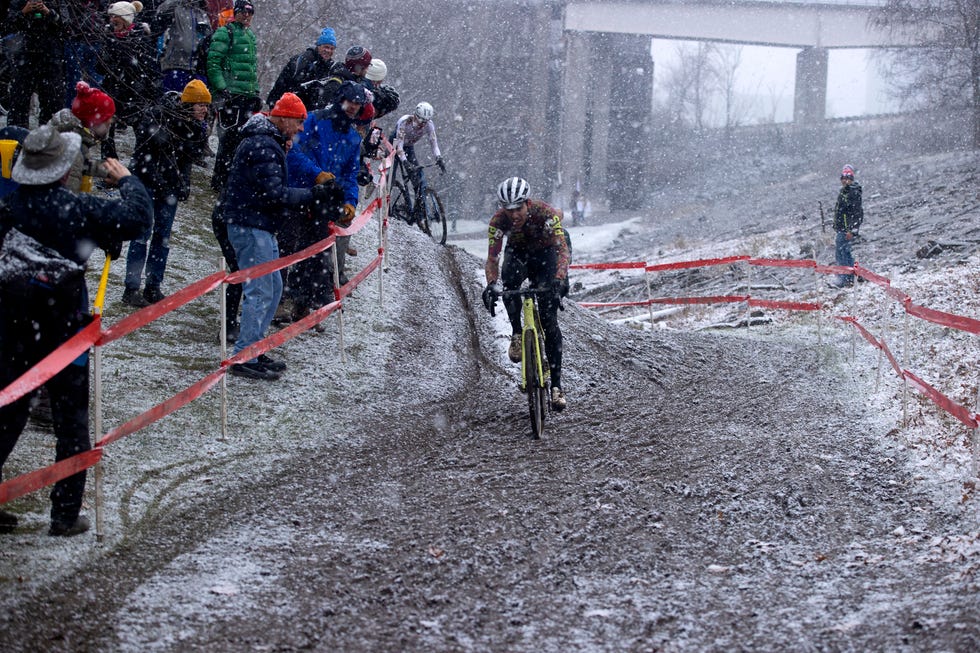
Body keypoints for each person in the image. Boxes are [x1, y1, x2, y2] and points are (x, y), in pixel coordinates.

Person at [0, 125, 153, 536]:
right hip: (63, 327)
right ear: (62, 170)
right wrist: (128, 181)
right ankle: (65, 514)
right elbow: (140, 218)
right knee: (71, 421)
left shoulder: (10, 207)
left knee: (9, 409)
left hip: (11, 325)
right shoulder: (75, 209)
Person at [222, 92, 333, 380]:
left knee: (272, 287)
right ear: (283, 117)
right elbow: (272, 194)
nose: (300, 129)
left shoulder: (269, 142)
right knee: (259, 291)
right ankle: (244, 354)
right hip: (251, 225)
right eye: (298, 122)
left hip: (261, 225)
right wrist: (312, 196)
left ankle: (255, 349)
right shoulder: (263, 145)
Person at [481, 177, 570, 411]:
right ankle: (517, 333)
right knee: (509, 283)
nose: (514, 215)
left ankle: (557, 386)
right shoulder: (498, 222)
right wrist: (491, 284)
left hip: (546, 256)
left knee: (549, 321)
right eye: (508, 210)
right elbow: (492, 258)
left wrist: (559, 279)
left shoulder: (545, 214)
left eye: (518, 208)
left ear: (527, 204)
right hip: (519, 254)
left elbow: (562, 249)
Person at [122, 79, 210, 306]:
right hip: (149, 184)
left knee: (163, 238)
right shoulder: (158, 117)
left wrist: (183, 185)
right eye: (200, 105)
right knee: (142, 236)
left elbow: (190, 159)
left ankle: (153, 286)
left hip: (169, 187)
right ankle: (131, 288)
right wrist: (158, 182)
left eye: (206, 106)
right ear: (188, 104)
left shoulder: (194, 126)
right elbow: (143, 155)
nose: (204, 110)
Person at [283, 80, 362, 318]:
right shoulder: (314, 120)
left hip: (325, 203)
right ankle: (277, 300)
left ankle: (303, 305)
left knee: (317, 255)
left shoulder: (353, 138)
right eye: (350, 102)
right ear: (340, 99)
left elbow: (350, 174)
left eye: (358, 104)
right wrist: (315, 174)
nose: (353, 108)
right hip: (298, 194)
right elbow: (293, 152)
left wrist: (351, 201)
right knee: (286, 250)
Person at [97, 0, 162, 159]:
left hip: (135, 90)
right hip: (112, 89)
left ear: (126, 19)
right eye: (111, 17)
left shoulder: (140, 37)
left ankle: (139, 166)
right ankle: (110, 166)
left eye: (116, 17)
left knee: (142, 130)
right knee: (106, 132)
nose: (112, 20)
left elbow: (147, 67)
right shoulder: (108, 36)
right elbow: (100, 66)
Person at [206, 0, 259, 191]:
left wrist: (255, 92)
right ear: (235, 12)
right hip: (230, 96)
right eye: (243, 11)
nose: (247, 15)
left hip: (246, 97)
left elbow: (251, 68)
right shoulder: (225, 32)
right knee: (227, 141)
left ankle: (229, 183)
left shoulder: (250, 36)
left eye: (250, 12)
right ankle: (219, 183)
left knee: (240, 142)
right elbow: (213, 62)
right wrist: (222, 88)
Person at [4, 0, 67, 128]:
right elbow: (7, 26)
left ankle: (49, 139)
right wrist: (23, 12)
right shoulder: (18, 2)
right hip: (24, 56)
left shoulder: (57, 2)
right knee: (19, 101)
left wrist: (48, 12)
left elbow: (65, 26)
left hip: (50, 57)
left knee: (52, 102)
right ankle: (17, 138)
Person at [47, 81, 115, 193]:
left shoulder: (72, 132)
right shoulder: (73, 146)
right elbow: (68, 193)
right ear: (93, 123)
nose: (110, 125)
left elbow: (83, 165)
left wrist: (107, 171)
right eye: (107, 122)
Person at [266, 26, 345, 111]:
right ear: (318, 46)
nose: (328, 51)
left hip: (307, 110)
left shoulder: (330, 66)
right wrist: (274, 104)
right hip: (291, 107)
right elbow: (283, 83)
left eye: (332, 48)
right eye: (326, 47)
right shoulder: (304, 60)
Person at [154, 0, 212, 93]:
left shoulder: (201, 12)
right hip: (174, 65)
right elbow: (160, 13)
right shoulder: (175, 8)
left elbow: (208, 37)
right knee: (174, 103)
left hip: (196, 69)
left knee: (193, 105)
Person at [392, 101, 445, 198]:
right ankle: (387, 199)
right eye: (420, 120)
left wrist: (439, 157)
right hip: (395, 144)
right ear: (415, 115)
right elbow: (399, 147)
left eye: (425, 121)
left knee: (418, 178)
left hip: (408, 147)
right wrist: (405, 162)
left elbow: (434, 144)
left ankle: (419, 204)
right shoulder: (404, 122)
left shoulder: (429, 125)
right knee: (390, 175)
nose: (422, 124)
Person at [62, 0, 106, 107]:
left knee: (95, 79)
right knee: (74, 80)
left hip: (94, 40)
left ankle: (93, 110)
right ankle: (73, 109)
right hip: (75, 40)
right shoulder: (69, 5)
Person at [830, 163, 864, 288]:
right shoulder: (845, 191)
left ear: (851, 179)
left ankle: (844, 278)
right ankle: (852, 276)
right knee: (844, 252)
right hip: (842, 228)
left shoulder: (852, 192)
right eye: (843, 178)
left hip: (846, 229)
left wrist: (852, 230)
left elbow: (857, 213)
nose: (845, 180)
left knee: (841, 253)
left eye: (848, 178)